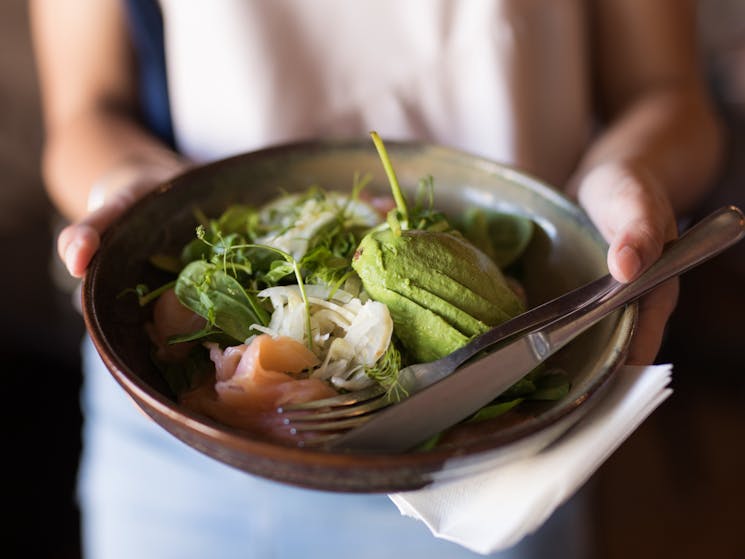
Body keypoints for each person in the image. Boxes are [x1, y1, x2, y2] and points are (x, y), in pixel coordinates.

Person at [30, 1, 723, 558]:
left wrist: (629, 177)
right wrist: (137, 194)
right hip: (178, 451)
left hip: (491, 456)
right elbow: (85, 111)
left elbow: (667, 97)